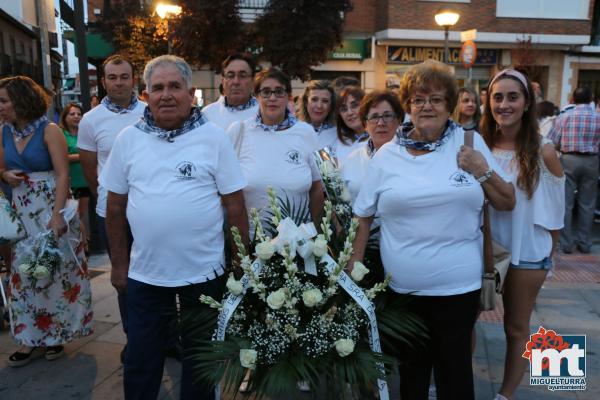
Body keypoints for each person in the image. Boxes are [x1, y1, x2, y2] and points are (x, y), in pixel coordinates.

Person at [349, 60, 515, 400]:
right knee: (412, 378)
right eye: (419, 99)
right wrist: (354, 266)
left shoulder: (470, 143)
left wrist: (481, 170)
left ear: (449, 105)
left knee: (455, 377)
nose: (427, 106)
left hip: (459, 289)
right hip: (403, 292)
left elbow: (507, 201)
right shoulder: (386, 156)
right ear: (408, 105)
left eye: (436, 99)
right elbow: (362, 216)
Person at [100, 55, 249, 400]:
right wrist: (119, 265)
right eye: (158, 88)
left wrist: (241, 261)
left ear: (191, 92)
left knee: (200, 363)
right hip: (145, 276)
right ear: (145, 94)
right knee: (141, 360)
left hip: (204, 273)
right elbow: (115, 207)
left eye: (174, 86)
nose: (166, 94)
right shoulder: (128, 139)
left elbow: (235, 205)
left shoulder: (213, 138)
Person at [481, 69, 565, 400]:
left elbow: (556, 218)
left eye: (512, 97)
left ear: (527, 103)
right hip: (484, 249)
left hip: (527, 253)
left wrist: (546, 258)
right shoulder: (478, 145)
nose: (504, 104)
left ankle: (505, 395)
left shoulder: (544, 151)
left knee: (515, 327)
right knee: (464, 323)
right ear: (488, 102)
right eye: (497, 97)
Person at [0, 76, 93, 367]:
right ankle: (28, 338)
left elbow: (63, 174)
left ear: (21, 100)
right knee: (23, 275)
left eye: (3, 101)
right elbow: (1, 167)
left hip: (51, 205)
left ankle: (56, 335)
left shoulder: (49, 130)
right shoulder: (3, 132)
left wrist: (57, 215)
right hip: (22, 209)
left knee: (55, 271)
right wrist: (5, 175)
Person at [77, 54, 146, 361]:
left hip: (149, 210)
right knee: (123, 277)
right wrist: (109, 197)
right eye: (112, 77)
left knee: (157, 273)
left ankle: (167, 336)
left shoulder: (150, 112)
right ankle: (136, 337)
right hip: (113, 212)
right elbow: (92, 174)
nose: (119, 82)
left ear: (135, 79)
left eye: (124, 76)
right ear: (104, 81)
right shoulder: (90, 120)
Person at [227, 67, 324, 236]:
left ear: (289, 97)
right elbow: (227, 192)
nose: (272, 98)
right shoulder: (239, 131)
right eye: (265, 92)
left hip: (299, 244)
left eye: (279, 92)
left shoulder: (306, 133)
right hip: (252, 243)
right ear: (256, 96)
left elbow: (317, 188)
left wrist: (314, 234)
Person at [548, 86, 600, 254]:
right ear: (591, 98)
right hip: (592, 160)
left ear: (572, 99)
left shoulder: (564, 117)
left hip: (569, 159)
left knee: (566, 202)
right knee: (587, 203)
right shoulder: (598, 117)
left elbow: (551, 140)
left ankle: (565, 244)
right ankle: (584, 243)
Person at [340, 90, 404, 202]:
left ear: (399, 120)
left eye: (387, 116)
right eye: (374, 117)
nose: (380, 123)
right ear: (365, 124)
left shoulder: (410, 155)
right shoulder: (353, 159)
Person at [59, 103, 90, 251]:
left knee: (81, 214)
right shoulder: (60, 134)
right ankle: (83, 244)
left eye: (79, 114)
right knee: (73, 215)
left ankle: (80, 243)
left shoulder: (85, 133)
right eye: (72, 114)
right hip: (69, 181)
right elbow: (61, 157)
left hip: (85, 180)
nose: (76, 116)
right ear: (65, 117)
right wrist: (82, 155)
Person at [202, 53, 259, 131]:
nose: (236, 82)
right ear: (223, 82)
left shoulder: (265, 115)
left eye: (242, 76)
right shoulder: (207, 115)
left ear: (253, 81)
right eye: (230, 76)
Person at [332, 86, 368, 168]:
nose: (349, 113)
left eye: (354, 106)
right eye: (344, 109)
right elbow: (332, 178)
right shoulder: (337, 144)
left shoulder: (380, 139)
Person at [298, 80, 338, 150]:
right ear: (305, 102)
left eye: (325, 101)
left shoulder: (338, 136)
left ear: (331, 106)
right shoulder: (293, 131)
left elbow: (327, 161)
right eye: (314, 99)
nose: (319, 106)